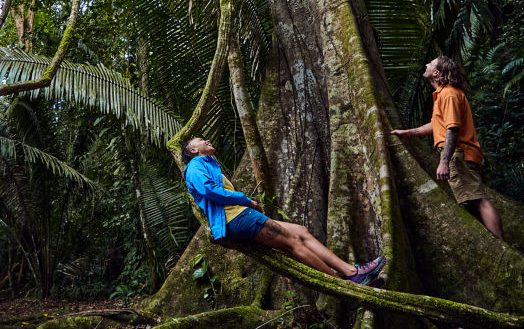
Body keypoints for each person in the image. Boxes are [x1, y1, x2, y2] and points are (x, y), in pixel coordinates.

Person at [182, 137, 385, 284]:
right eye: (200, 140)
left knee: (300, 231)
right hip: (236, 218)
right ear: (193, 151)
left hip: (240, 216)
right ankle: (343, 286)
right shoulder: (195, 165)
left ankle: (351, 272)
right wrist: (245, 200)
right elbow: (209, 191)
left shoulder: (209, 163)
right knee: (293, 242)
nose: (207, 140)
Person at [391, 56, 504, 239]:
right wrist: (408, 132)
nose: (426, 64)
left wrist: (444, 161)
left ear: (436, 73)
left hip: (459, 153)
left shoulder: (449, 94)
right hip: (458, 153)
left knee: (478, 199)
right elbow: (437, 124)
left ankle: (500, 244)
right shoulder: (443, 94)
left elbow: (452, 128)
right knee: (471, 201)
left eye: (431, 63)